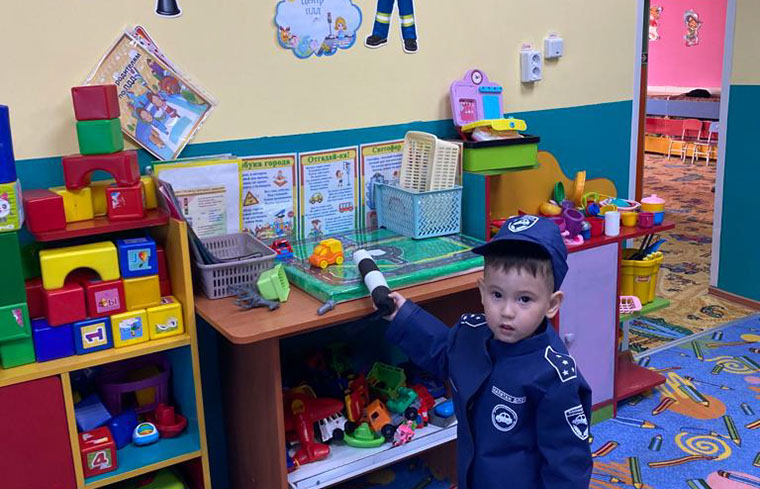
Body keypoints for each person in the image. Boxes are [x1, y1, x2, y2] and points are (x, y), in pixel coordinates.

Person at [383, 215, 592, 489]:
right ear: (482, 291)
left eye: (524, 299)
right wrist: (403, 316)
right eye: (497, 295)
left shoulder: (553, 376)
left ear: (552, 304)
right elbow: (443, 351)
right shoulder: (470, 333)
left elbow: (567, 463)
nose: (507, 311)